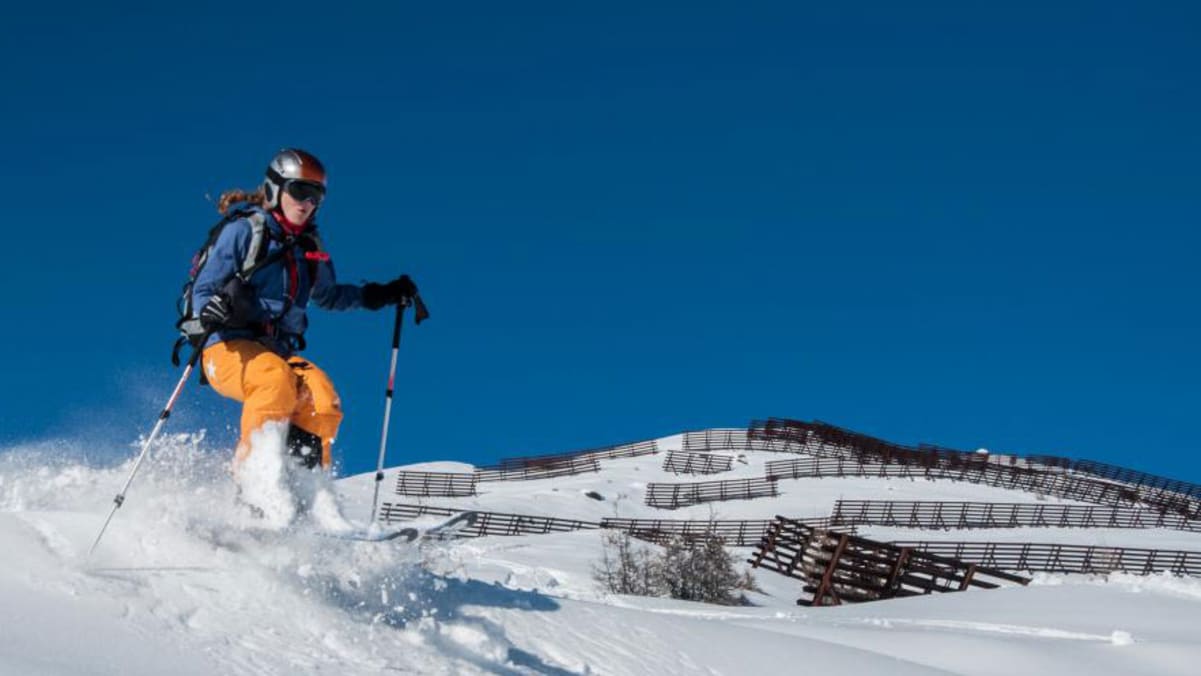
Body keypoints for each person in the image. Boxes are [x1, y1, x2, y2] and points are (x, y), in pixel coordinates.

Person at [192, 148, 414, 474]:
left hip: (275, 351)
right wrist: (212, 308)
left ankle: (305, 495)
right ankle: (253, 484)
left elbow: (329, 296)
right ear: (275, 189)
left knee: (321, 399)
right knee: (273, 381)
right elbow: (204, 287)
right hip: (225, 346)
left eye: (316, 196)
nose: (307, 203)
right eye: (300, 191)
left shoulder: (308, 247)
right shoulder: (245, 231)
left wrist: (379, 294)